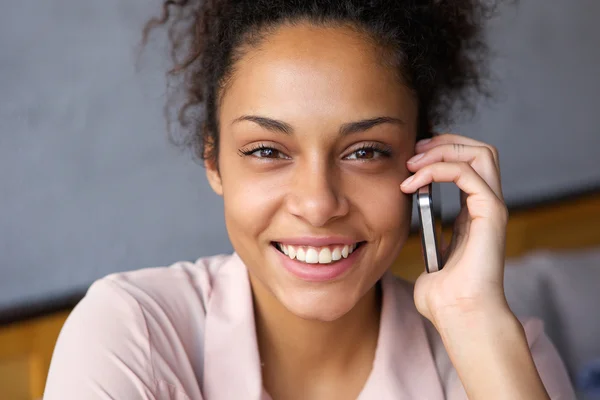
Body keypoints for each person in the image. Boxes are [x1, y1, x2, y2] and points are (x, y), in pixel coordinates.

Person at [43, 1, 575, 399]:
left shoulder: (500, 358)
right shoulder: (132, 333)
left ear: (424, 163)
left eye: (365, 151)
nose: (318, 205)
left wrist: (471, 319)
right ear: (214, 161)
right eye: (269, 150)